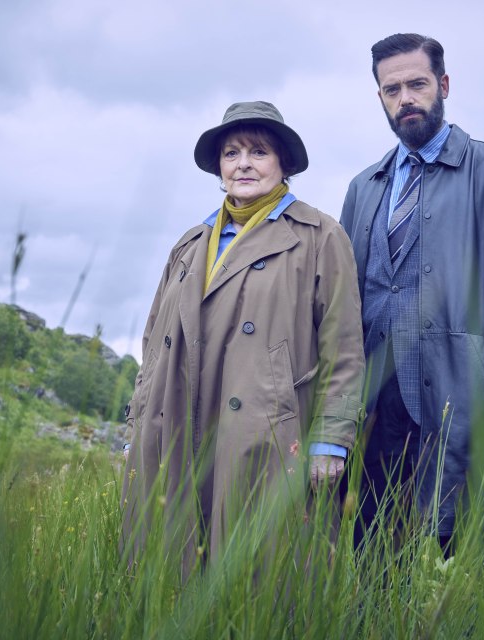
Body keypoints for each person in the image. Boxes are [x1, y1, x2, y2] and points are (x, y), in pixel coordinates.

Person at [121, 101, 365, 572]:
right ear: (219, 167)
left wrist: (332, 439)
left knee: (262, 574)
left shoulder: (320, 235)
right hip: (174, 425)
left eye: (258, 151)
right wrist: (137, 425)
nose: (244, 164)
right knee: (169, 567)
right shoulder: (190, 244)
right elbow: (153, 345)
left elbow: (344, 347)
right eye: (232, 153)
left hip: (266, 429)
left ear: (284, 163)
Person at [340, 34, 484, 556]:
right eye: (392, 89)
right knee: (374, 573)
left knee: (464, 578)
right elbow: (343, 299)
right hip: (376, 417)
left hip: (460, 405)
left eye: (417, 84)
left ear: (443, 85)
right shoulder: (363, 187)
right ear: (381, 98)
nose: (405, 98)